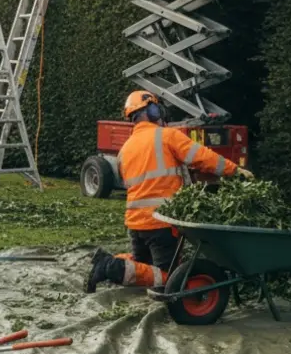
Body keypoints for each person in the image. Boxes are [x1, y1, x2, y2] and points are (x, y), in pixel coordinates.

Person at [86, 91, 252, 293]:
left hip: (135, 223)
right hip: (161, 222)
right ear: (153, 111)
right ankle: (109, 266)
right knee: (168, 277)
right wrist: (235, 170)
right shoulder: (167, 136)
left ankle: (108, 261)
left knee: (142, 266)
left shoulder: (125, 149)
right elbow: (203, 157)